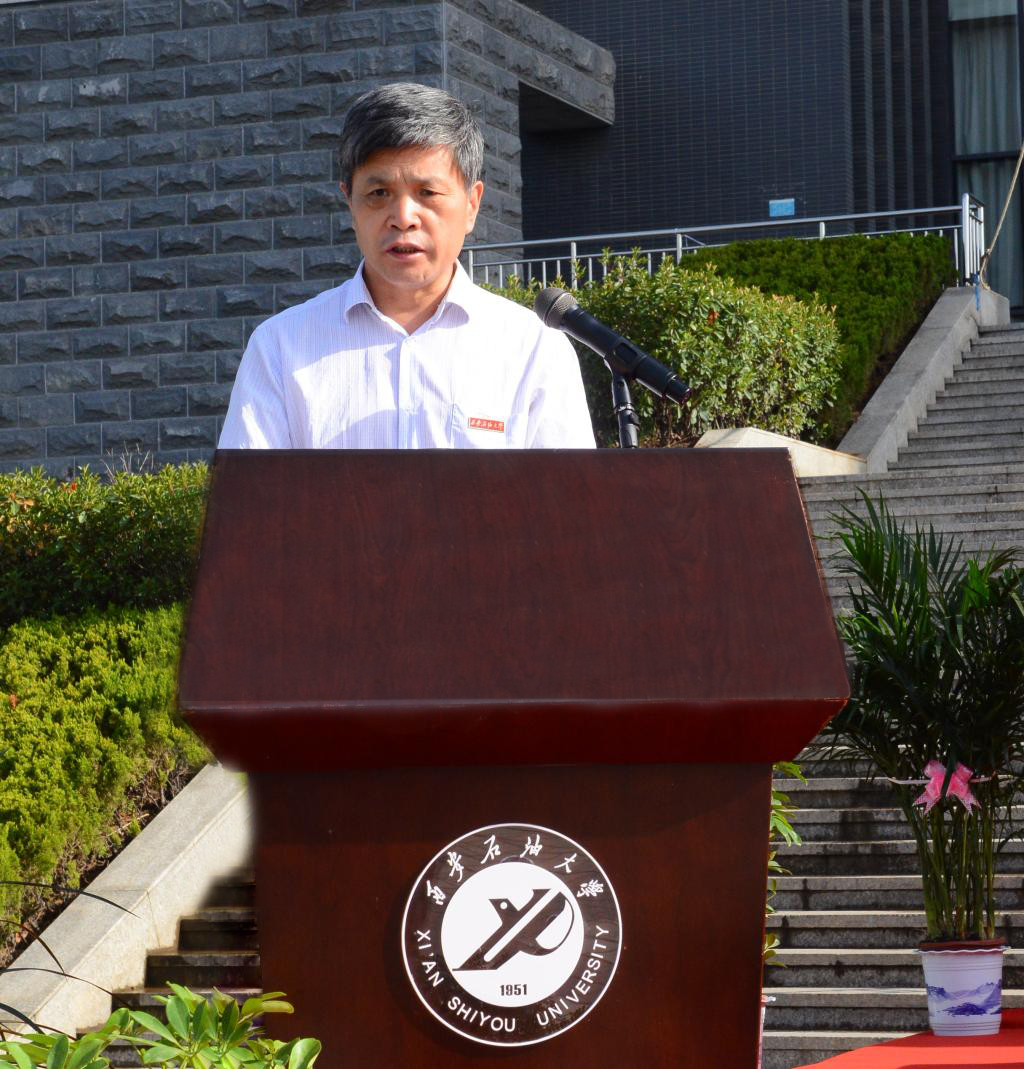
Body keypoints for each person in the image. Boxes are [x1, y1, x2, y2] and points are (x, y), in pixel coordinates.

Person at [218, 82, 595, 450]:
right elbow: (250, 493)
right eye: (379, 193)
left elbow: (567, 493)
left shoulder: (532, 349)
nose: (403, 218)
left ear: (471, 204)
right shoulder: (280, 347)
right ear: (350, 203)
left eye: (427, 193)